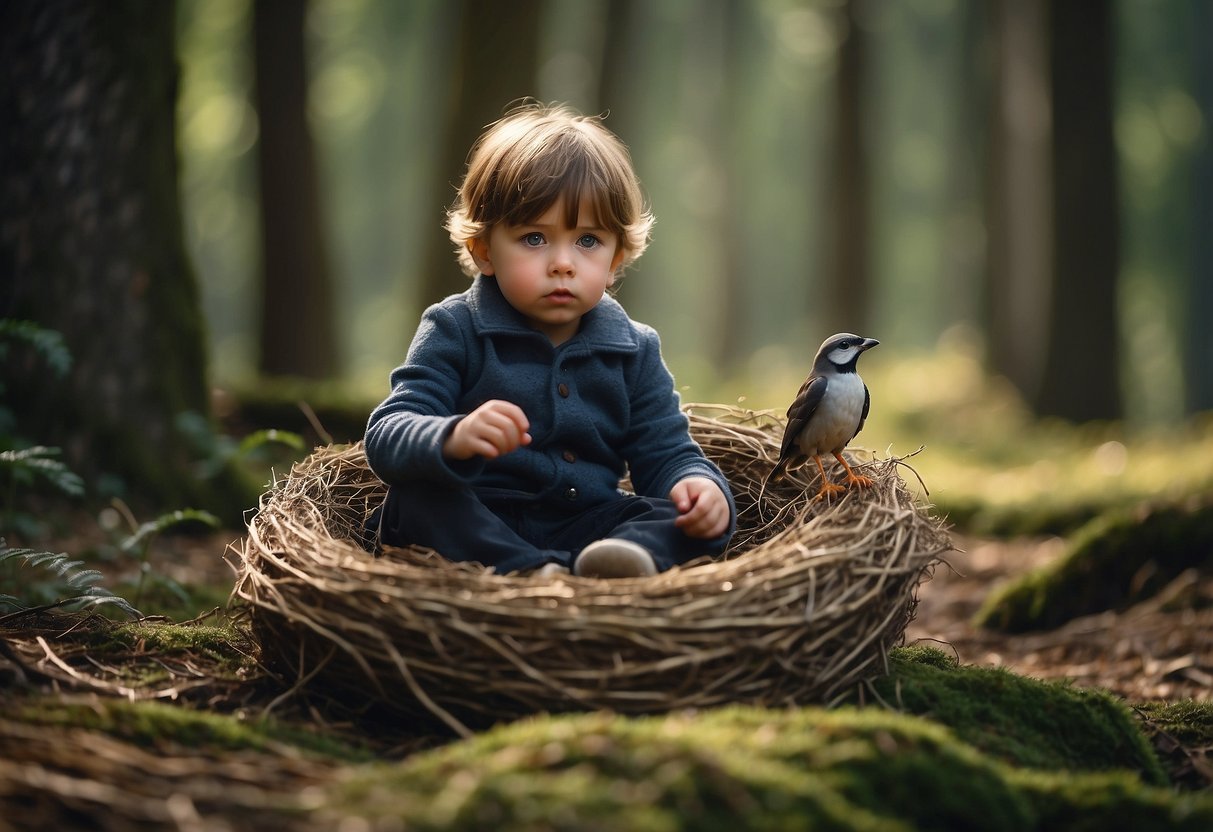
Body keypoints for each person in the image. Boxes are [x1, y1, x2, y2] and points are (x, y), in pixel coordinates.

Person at [364, 103, 735, 578]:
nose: (563, 263)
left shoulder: (633, 350)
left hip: (591, 526)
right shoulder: (455, 328)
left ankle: (615, 565)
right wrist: (452, 436)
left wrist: (697, 486)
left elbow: (665, 452)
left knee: (684, 518)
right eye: (535, 238)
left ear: (616, 257)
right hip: (481, 520)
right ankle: (536, 572)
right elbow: (388, 431)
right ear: (483, 251)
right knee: (414, 501)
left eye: (587, 241)